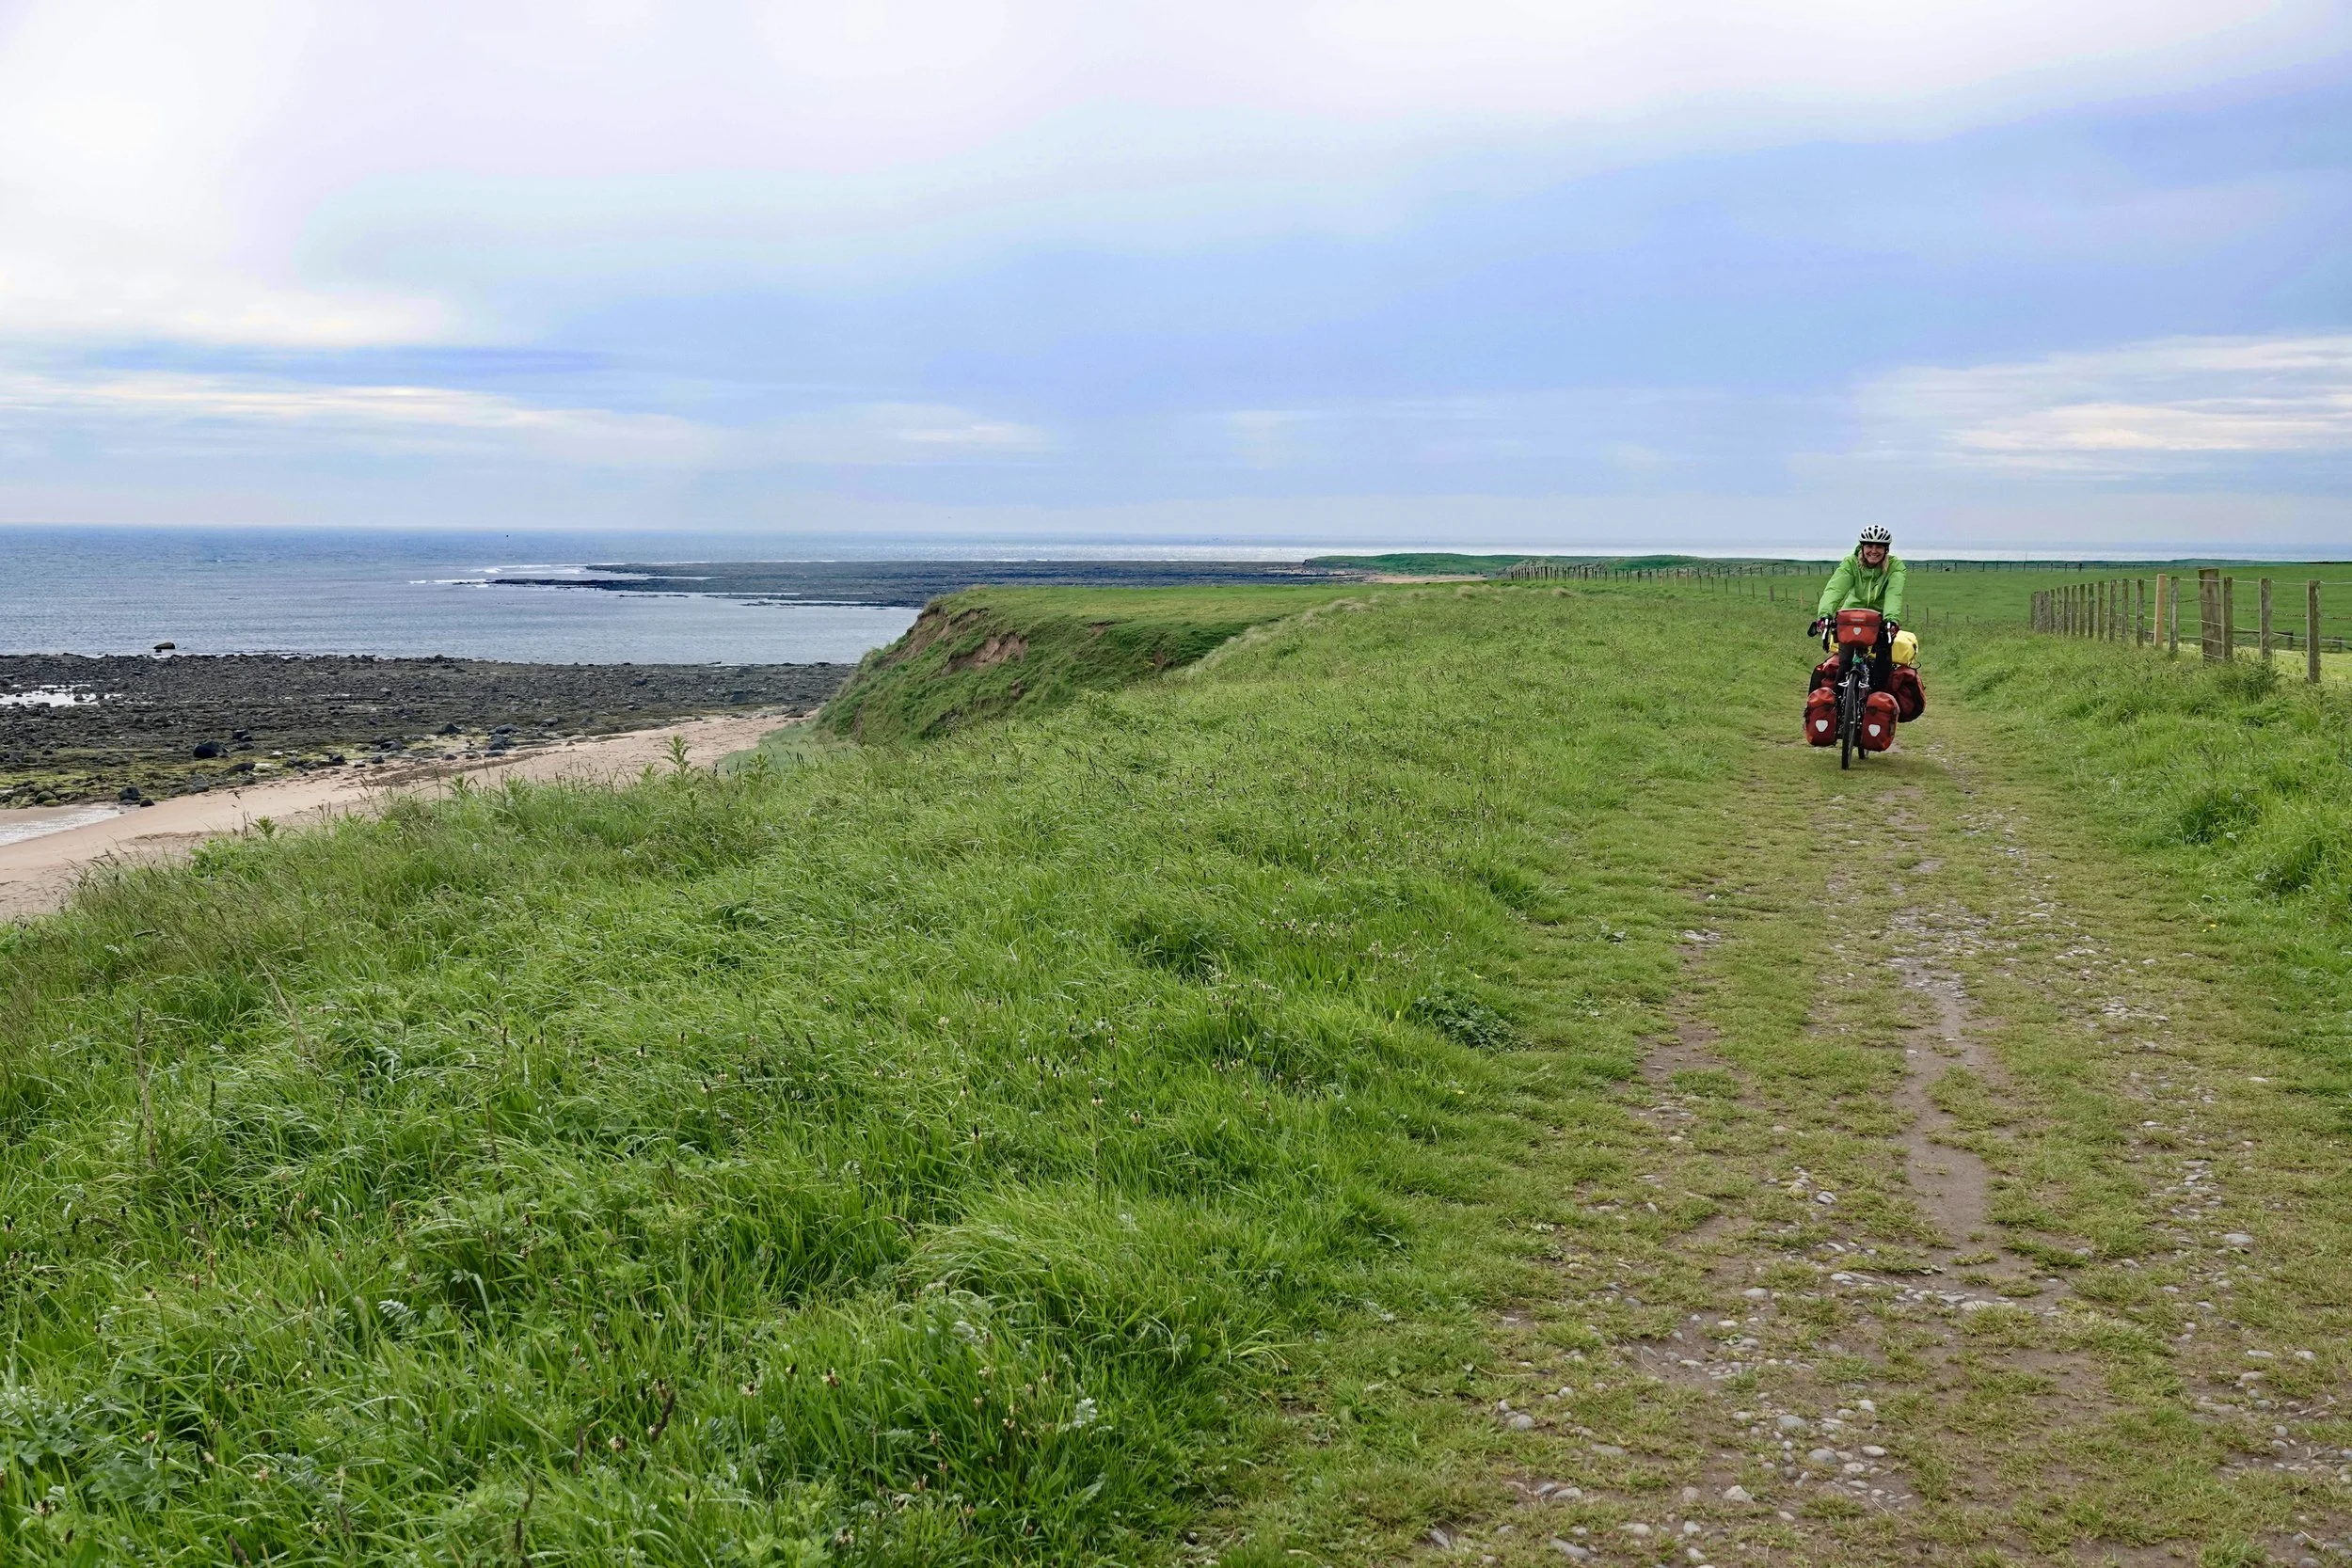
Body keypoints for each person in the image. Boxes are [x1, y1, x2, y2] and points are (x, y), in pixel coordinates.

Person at [1812, 525, 1905, 689]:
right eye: (1869, 546)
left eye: (1879, 547)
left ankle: (1877, 702)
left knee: (1882, 666)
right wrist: (1825, 614)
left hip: (1879, 618)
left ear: (1886, 550)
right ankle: (1839, 706)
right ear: (1862, 547)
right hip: (1851, 616)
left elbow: (1894, 594)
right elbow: (1835, 589)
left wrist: (1891, 619)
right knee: (1845, 663)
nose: (1874, 551)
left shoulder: (1895, 566)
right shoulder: (1851, 563)